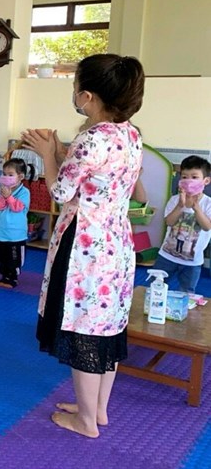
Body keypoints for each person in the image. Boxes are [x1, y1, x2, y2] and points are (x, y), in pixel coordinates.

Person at [21, 53, 144, 439]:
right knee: (107, 326)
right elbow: (95, 177)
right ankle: (98, 409)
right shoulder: (130, 133)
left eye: (75, 88)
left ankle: (86, 421)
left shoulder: (91, 138)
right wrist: (61, 150)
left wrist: (46, 154)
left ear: (87, 96)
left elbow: (61, 191)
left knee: (83, 328)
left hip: (86, 246)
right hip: (117, 242)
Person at [153, 155, 211, 293]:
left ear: (206, 181)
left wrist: (196, 208)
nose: (189, 181)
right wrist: (180, 206)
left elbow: (207, 227)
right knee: (155, 287)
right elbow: (169, 222)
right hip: (167, 256)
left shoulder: (208, 203)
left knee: (187, 292)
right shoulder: (174, 200)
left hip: (193, 261)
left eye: (194, 177)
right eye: (184, 177)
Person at [0, 158, 31, 288]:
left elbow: (17, 208)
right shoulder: (1, 190)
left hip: (16, 234)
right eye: (4, 174)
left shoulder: (24, 192)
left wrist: (9, 197)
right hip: (2, 231)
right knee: (2, 256)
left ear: (20, 177)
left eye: (10, 175)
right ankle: (4, 276)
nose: (6, 177)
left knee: (14, 258)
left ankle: (13, 278)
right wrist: (4, 197)